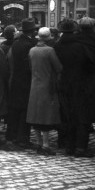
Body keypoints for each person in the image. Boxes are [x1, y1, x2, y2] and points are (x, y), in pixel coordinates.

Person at [53, 18, 95, 158]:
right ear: (75, 30)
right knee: (83, 117)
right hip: (82, 84)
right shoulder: (81, 46)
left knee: (68, 116)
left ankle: (69, 146)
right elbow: (92, 65)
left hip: (64, 84)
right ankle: (81, 148)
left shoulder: (57, 46)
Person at [27, 27, 62, 155]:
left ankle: (38, 142)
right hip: (47, 85)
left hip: (34, 85)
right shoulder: (50, 50)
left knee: (35, 115)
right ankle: (46, 144)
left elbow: (30, 67)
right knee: (46, 116)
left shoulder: (32, 50)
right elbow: (58, 67)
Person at [6, 19, 38, 148]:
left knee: (14, 109)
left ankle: (12, 135)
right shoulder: (30, 44)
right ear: (33, 31)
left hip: (15, 79)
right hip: (26, 80)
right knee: (24, 110)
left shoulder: (16, 43)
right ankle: (23, 137)